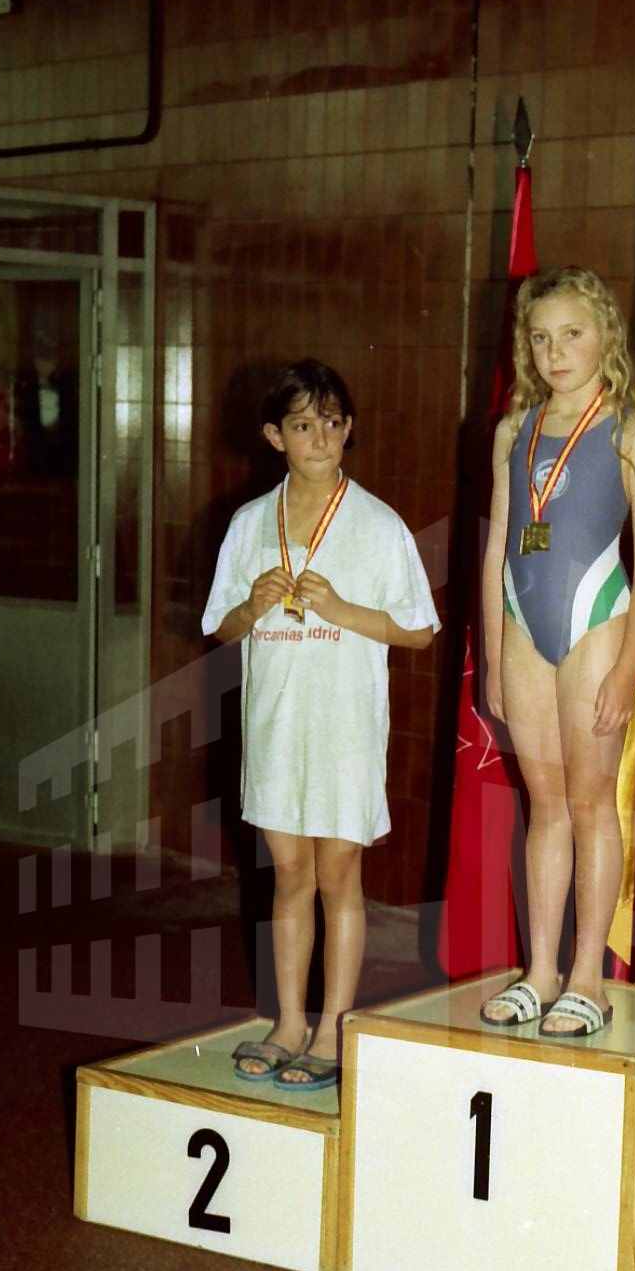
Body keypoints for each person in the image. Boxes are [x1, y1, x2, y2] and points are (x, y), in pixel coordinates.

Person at [202, 360, 439, 1089]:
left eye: (332, 423)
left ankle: (335, 1024)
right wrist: (252, 607)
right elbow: (220, 628)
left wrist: (340, 610)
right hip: (277, 725)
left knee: (338, 874)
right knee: (289, 875)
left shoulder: (377, 525)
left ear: (349, 428)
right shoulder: (250, 524)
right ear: (275, 436)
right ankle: (288, 1022)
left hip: (344, 728)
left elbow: (419, 630)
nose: (321, 439)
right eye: (303, 425)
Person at [479, 267, 635, 1037]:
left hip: (596, 626)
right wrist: (494, 652)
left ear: (605, 337)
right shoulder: (513, 430)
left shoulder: (632, 434)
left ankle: (589, 976)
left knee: (591, 804)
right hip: (523, 629)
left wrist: (626, 668)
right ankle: (540, 970)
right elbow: (498, 543)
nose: (555, 353)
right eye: (541, 338)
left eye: (572, 335)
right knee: (546, 805)